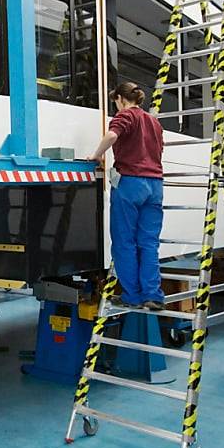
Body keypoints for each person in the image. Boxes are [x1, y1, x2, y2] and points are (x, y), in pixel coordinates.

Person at [87, 82, 166, 311]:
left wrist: (96, 155)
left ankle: (132, 296)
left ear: (121, 98)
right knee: (149, 243)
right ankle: (153, 296)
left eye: (115, 102)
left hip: (131, 183)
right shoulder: (153, 122)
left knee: (124, 243)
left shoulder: (126, 116)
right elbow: (160, 149)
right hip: (155, 185)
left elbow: (112, 136)